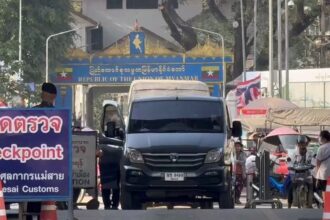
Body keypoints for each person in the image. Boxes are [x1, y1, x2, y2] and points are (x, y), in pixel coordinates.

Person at [26, 82, 57, 220]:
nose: (45, 97)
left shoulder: (58, 115)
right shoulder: (56, 114)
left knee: (38, 193)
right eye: (44, 94)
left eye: (46, 94)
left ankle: (34, 216)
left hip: (43, 160)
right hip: (39, 160)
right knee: (38, 192)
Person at [287, 135, 313, 208]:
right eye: (300, 143)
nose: (302, 145)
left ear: (306, 143)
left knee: (312, 186)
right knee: (291, 187)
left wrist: (313, 165)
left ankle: (313, 202)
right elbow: (289, 161)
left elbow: (314, 161)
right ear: (297, 144)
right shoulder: (293, 153)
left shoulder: (310, 153)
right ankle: (289, 204)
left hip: (307, 173)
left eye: (303, 143)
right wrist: (290, 166)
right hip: (296, 174)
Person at [315, 130, 330, 194]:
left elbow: (318, 163)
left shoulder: (321, 148)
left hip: (323, 174)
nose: (319, 139)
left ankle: (324, 203)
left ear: (324, 138)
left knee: (324, 192)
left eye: (319, 137)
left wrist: (316, 173)